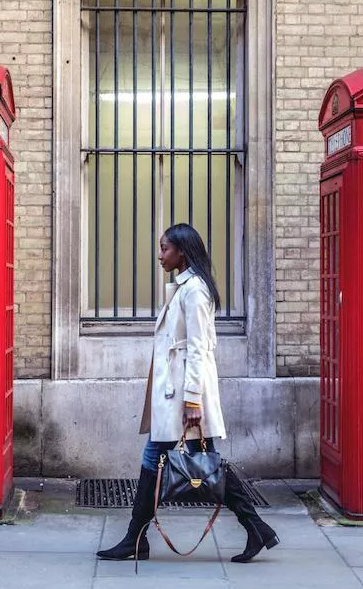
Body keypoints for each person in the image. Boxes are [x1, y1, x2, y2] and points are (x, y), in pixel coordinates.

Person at [96, 223, 279, 563]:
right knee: (174, 462)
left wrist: (193, 400)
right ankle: (137, 539)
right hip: (174, 394)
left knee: (205, 465)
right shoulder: (184, 287)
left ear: (181, 251)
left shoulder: (194, 289)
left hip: (184, 396)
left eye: (164, 248)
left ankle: (254, 528)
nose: (159, 255)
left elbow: (198, 349)